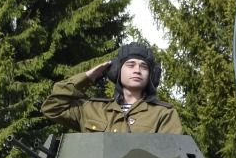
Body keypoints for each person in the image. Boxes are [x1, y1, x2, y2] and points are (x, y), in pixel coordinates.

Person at [40, 42, 185, 134]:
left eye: (143, 67)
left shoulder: (162, 114)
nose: (137, 70)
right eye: (130, 65)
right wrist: (88, 77)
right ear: (116, 71)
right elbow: (52, 108)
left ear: (151, 76)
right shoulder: (92, 109)